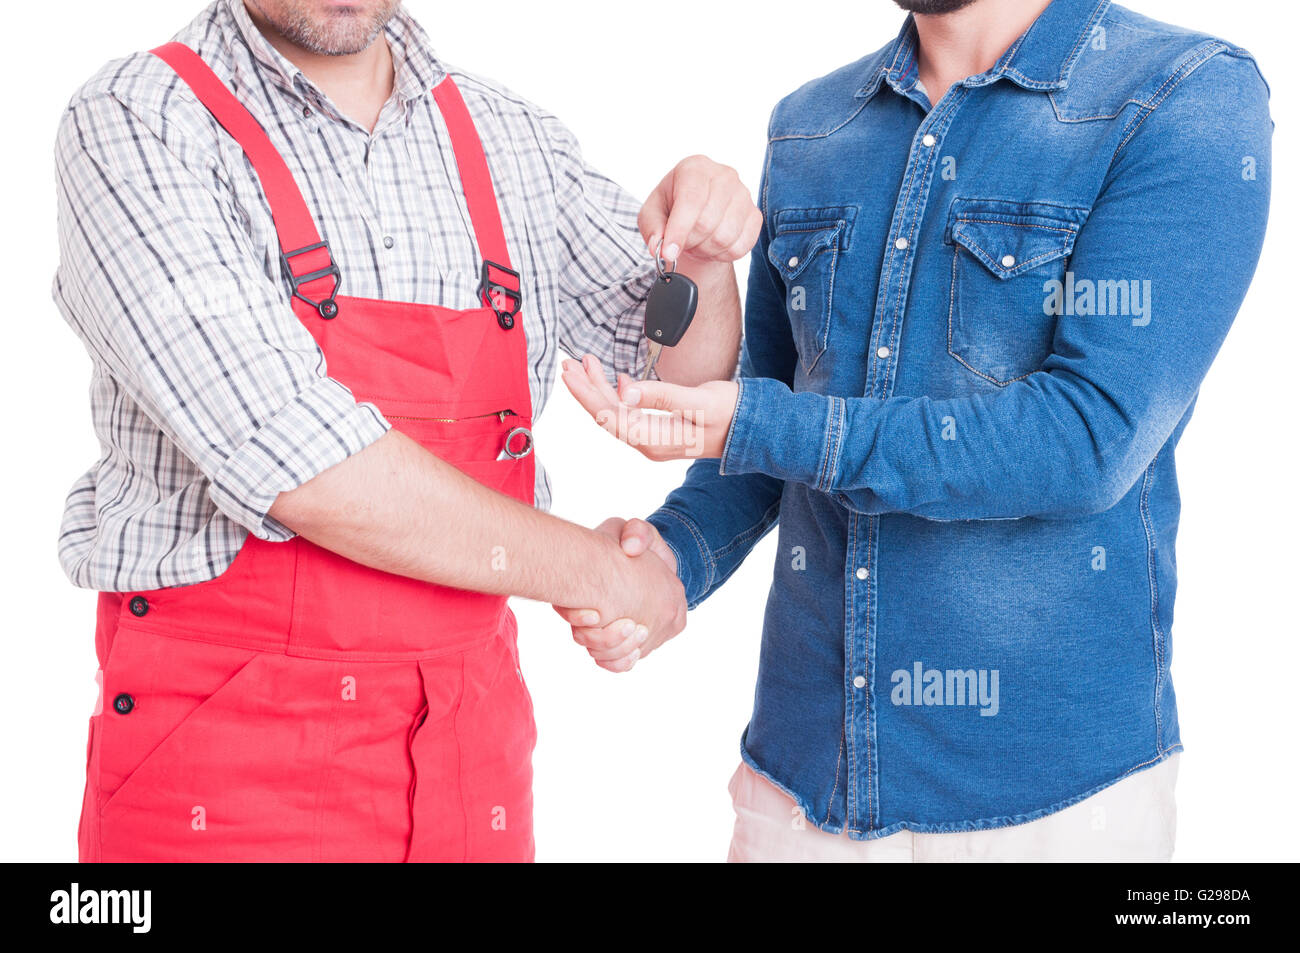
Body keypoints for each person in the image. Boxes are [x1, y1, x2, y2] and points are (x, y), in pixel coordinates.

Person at [561, 0, 1272, 861]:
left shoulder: (1181, 95)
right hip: (799, 792)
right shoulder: (813, 126)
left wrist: (761, 419)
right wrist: (673, 557)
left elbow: (1089, 439)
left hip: (1046, 810)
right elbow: (771, 418)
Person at [56, 0, 759, 862]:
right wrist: (598, 573)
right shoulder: (141, 122)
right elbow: (300, 460)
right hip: (226, 759)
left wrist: (707, 261)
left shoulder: (511, 141)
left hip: (467, 758)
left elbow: (679, 391)